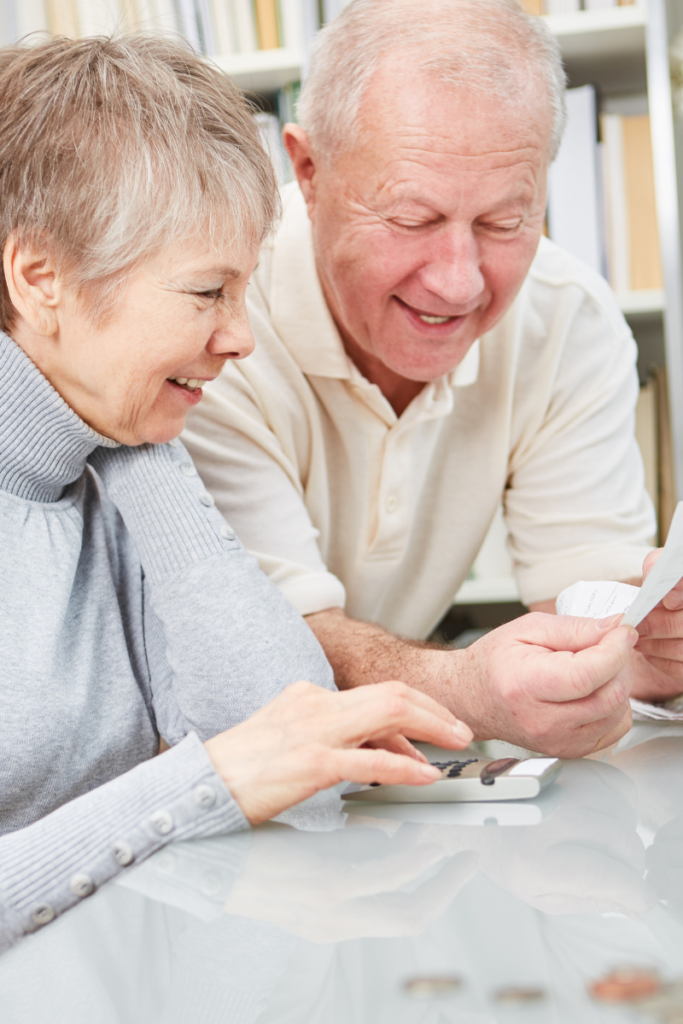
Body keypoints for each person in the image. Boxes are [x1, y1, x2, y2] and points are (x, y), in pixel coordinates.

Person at [0, 34, 480, 954]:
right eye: (207, 292)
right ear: (40, 275)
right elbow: (238, 772)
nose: (241, 337)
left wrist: (141, 424)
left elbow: (296, 766)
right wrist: (202, 784)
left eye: (245, 290)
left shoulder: (110, 455)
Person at [183, 0, 683, 756]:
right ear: (307, 171)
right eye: (412, 219)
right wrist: (464, 690)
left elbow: (588, 599)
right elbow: (263, 648)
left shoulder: (567, 318)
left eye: (503, 222)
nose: (457, 284)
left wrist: (637, 649)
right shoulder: (211, 324)